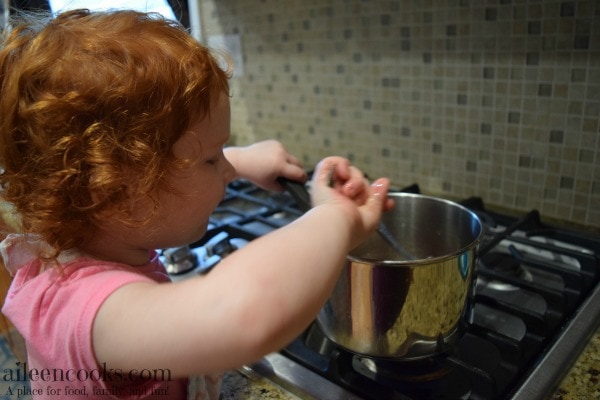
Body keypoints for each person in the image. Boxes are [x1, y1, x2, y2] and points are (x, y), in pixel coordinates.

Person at [0, 9, 392, 400]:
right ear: (112, 186)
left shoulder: (69, 243)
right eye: (211, 159)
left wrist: (242, 161)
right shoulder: (96, 314)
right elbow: (243, 316)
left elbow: (160, 176)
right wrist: (335, 217)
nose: (223, 168)